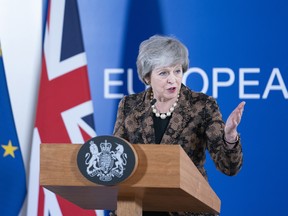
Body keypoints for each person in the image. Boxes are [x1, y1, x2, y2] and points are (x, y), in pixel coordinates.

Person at [113, 35, 245, 216]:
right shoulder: (129, 105)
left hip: (187, 208)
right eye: (163, 73)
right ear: (147, 77)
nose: (173, 79)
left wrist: (229, 136)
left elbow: (229, 167)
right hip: (137, 207)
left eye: (177, 71)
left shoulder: (202, 105)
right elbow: (116, 159)